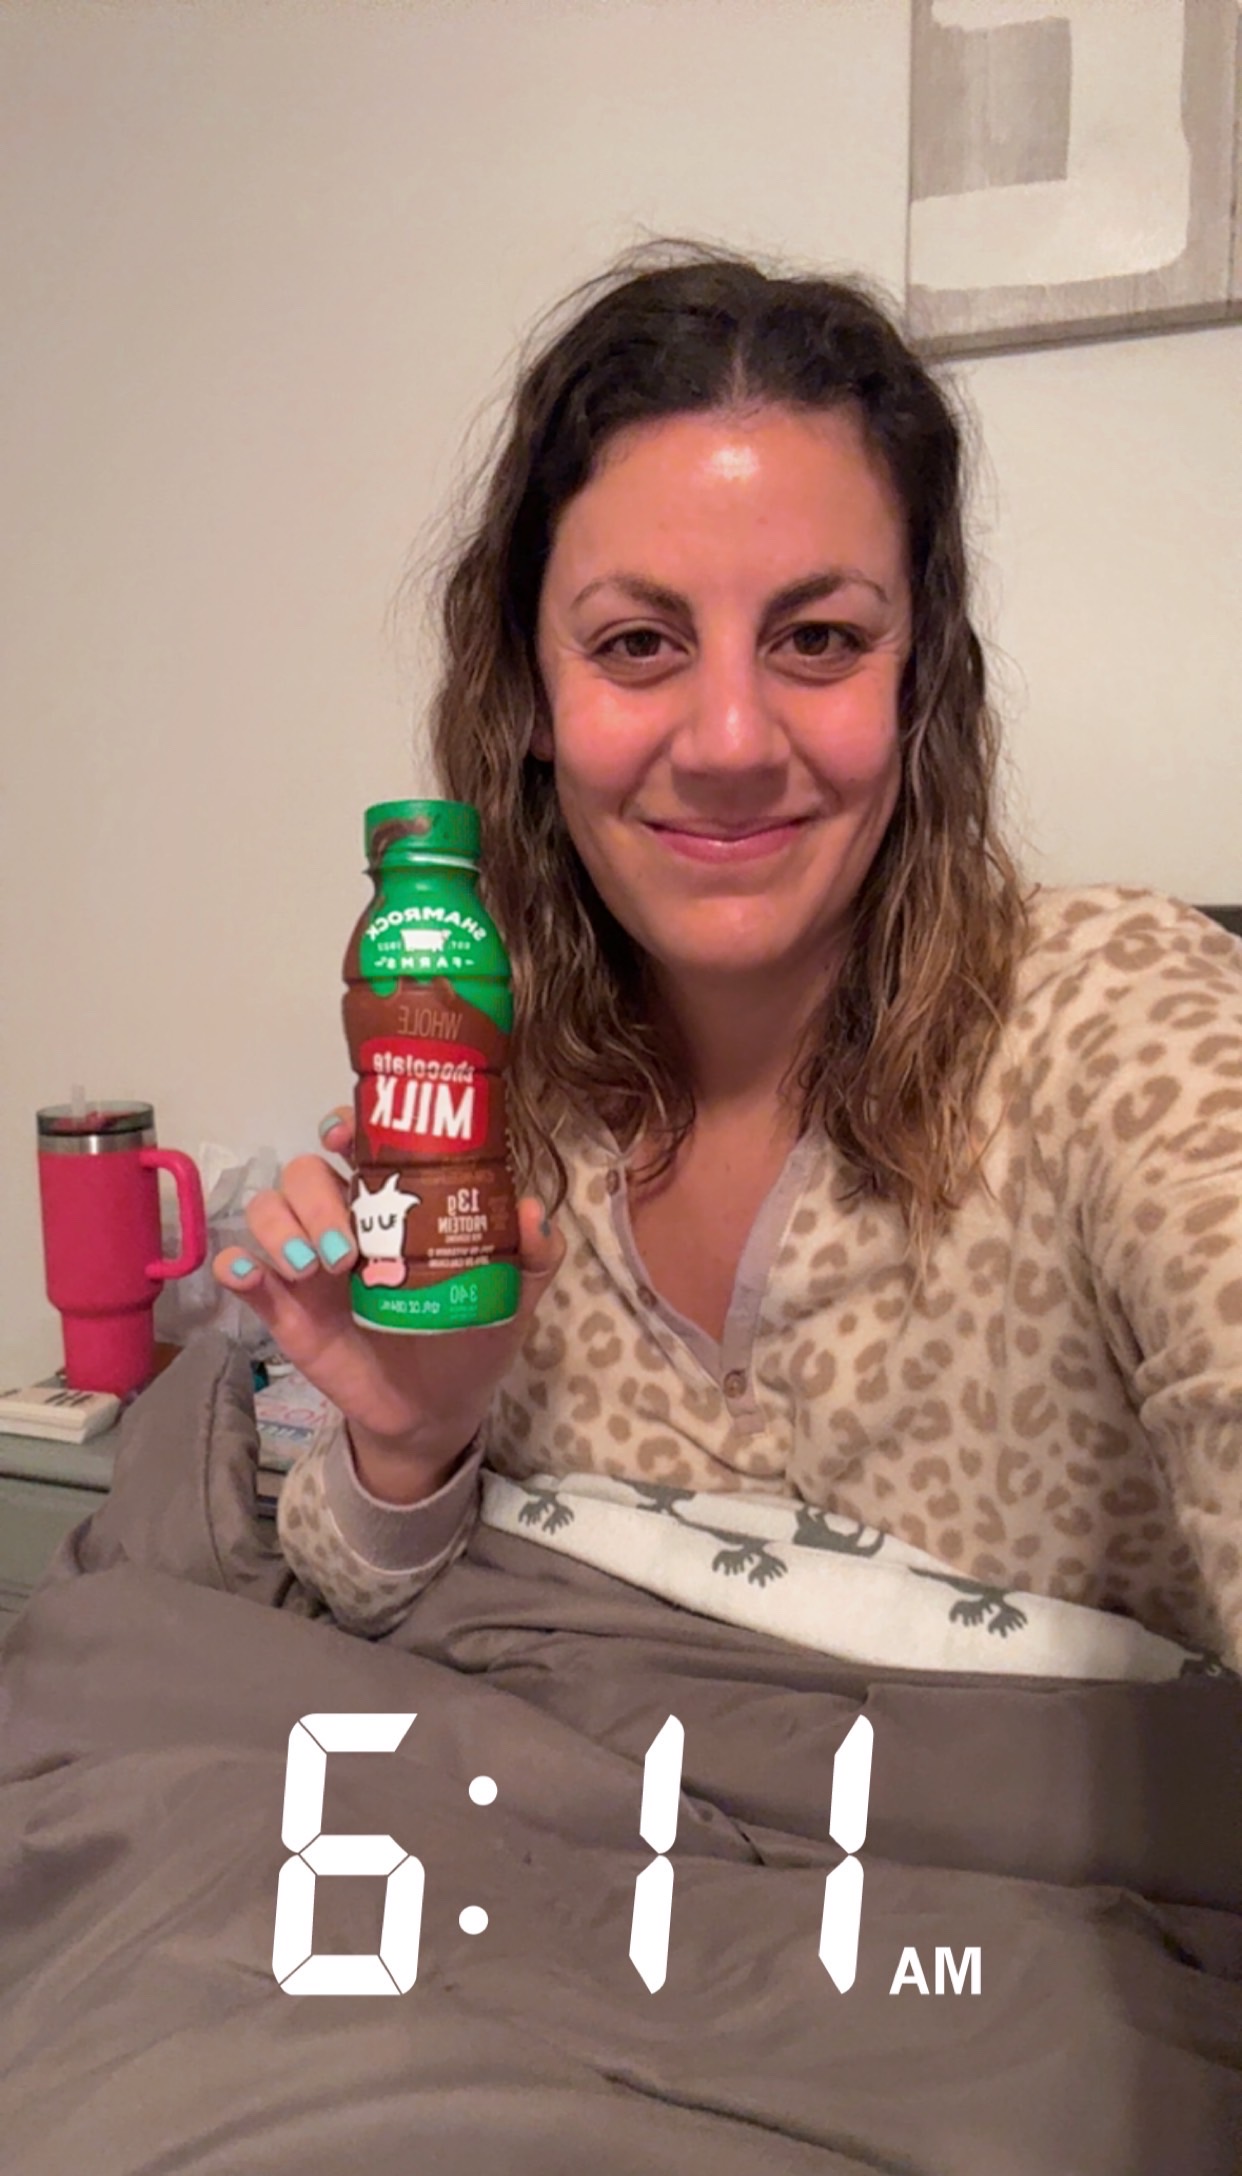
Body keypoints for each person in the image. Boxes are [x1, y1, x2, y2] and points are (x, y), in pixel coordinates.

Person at [214, 238, 1242, 1668]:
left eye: (817, 639)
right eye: (639, 644)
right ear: (529, 698)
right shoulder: (496, 1118)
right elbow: (356, 1594)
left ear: (918, 682)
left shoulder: (1122, 1018)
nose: (732, 744)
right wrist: (411, 1429)